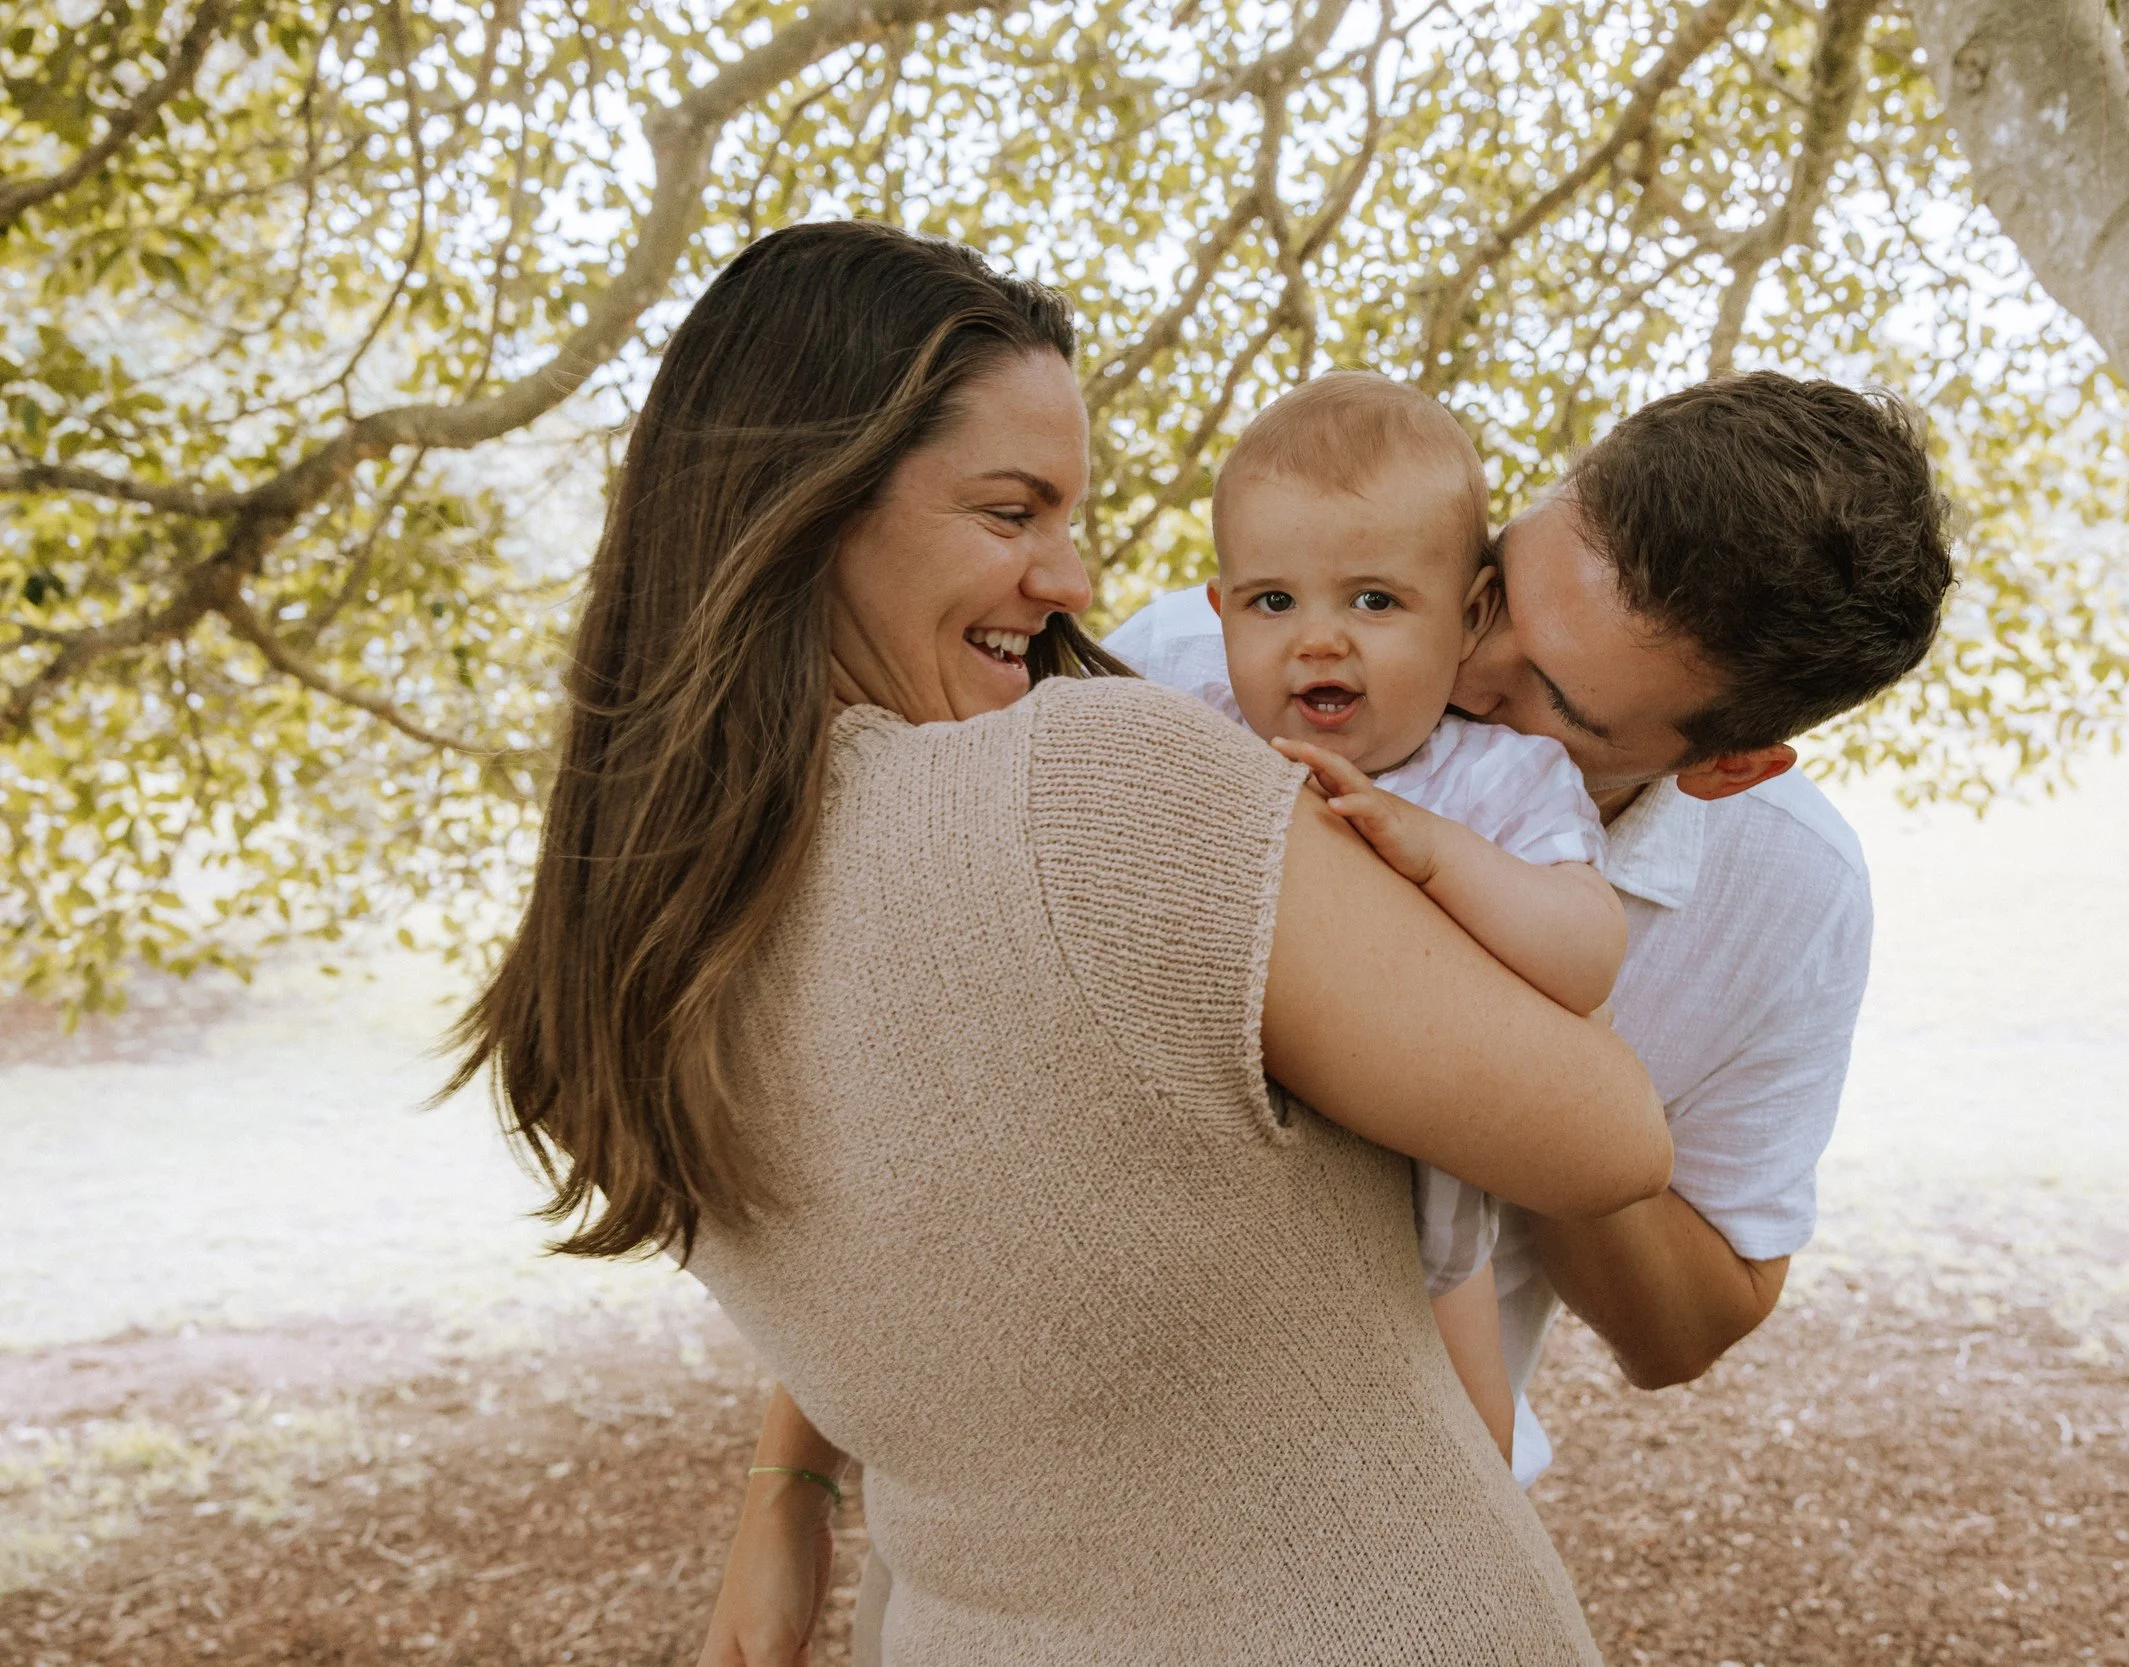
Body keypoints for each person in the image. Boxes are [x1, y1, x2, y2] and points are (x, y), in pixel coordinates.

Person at [444, 219, 1672, 1666]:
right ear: (812, 502)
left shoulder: (630, 959)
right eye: (1011, 511)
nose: (1075, 576)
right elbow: (1609, 1140)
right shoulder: (1095, 790)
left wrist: (787, 1483)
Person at [1111, 370, 1954, 1480]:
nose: (1466, 666)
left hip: (1398, 1456)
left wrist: (1536, 1075)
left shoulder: (1792, 895)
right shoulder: (1188, 672)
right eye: (1496, 591)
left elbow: (1686, 1332)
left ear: (1728, 766)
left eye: (1555, 701)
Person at [1119, 368, 1627, 1460]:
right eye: (1272, 601)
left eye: (1374, 600)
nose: (1316, 639)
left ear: (1469, 616)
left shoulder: (1497, 780)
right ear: (1220, 615)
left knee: (1473, 1458)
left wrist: (1436, 852)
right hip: (1216, 1207)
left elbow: (1586, 954)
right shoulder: (1189, 735)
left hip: (1425, 1239)